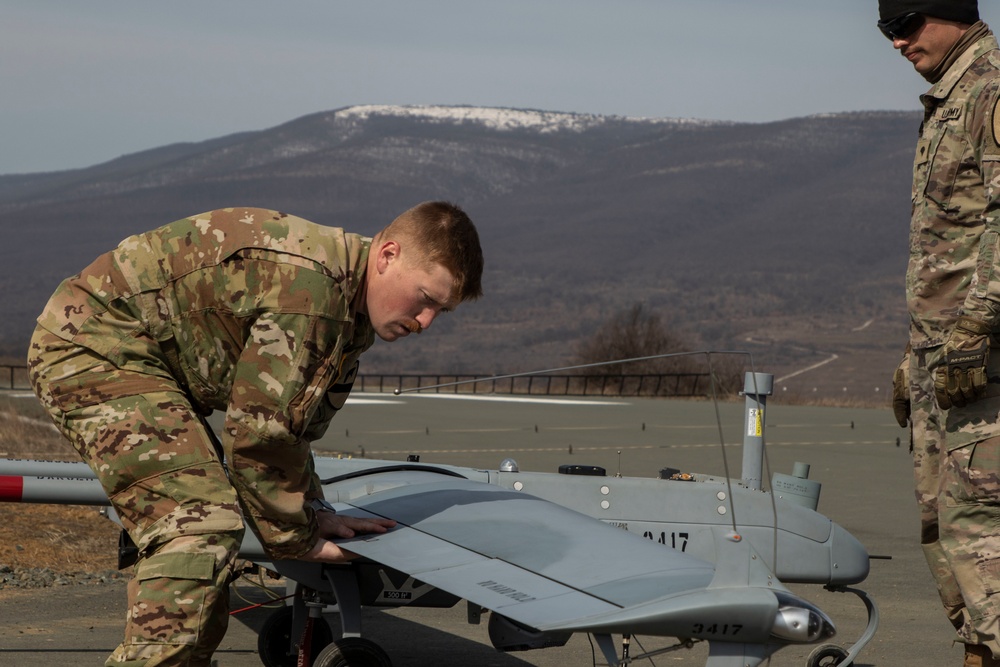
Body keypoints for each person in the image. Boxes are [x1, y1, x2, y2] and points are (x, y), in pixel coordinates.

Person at [26, 202, 484, 666]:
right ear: (387, 256)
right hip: (91, 348)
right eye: (425, 298)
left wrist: (312, 509)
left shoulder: (352, 307)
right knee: (200, 525)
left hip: (137, 359)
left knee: (211, 530)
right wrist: (296, 535)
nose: (425, 322)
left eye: (439, 311)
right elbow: (257, 436)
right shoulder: (314, 294)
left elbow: (289, 428)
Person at [881, 2, 1000, 665]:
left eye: (909, 22)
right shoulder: (948, 102)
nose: (898, 41)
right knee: (944, 532)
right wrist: (914, 358)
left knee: (981, 529)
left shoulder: (990, 90)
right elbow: (945, 250)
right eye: (886, 30)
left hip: (982, 363)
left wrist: (977, 327)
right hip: (941, 362)